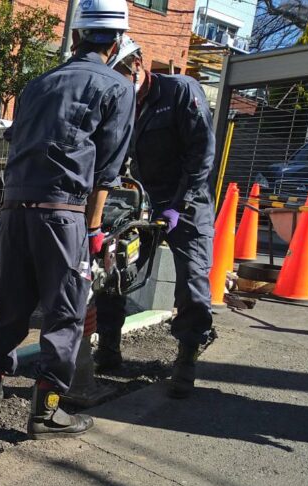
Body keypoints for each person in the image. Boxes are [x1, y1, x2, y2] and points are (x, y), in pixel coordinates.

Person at [0, 0, 134, 439]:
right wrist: (95, 230)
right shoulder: (117, 87)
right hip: (63, 216)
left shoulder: (38, 84)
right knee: (65, 312)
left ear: (77, 35)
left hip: (14, 210)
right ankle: (45, 413)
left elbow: (15, 140)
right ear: (117, 41)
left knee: (8, 304)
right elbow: (106, 170)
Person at [94, 35, 216, 398]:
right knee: (114, 265)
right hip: (144, 200)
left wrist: (180, 203)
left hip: (187, 202)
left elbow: (201, 153)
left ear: (137, 65)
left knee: (192, 279)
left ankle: (187, 357)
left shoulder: (180, 92)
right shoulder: (120, 102)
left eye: (119, 75)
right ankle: (109, 349)